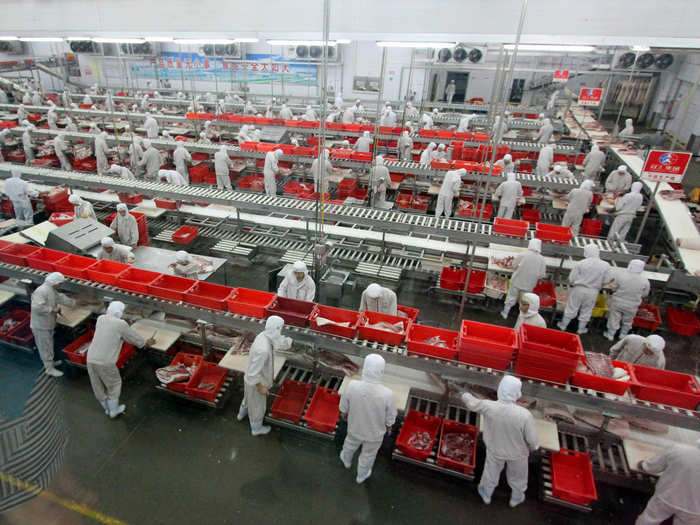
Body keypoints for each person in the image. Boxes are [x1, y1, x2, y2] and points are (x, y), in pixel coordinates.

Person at [461, 376, 538, 507]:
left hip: (495, 449)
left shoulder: (489, 406)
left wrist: (464, 393)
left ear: (500, 390)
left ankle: (486, 495)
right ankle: (516, 498)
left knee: (490, 474)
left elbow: (472, 403)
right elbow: (532, 438)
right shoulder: (524, 415)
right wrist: (533, 447)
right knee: (518, 477)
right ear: (517, 394)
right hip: (518, 454)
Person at [86, 301, 154, 418]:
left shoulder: (101, 318)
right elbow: (135, 339)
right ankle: (114, 411)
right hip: (106, 362)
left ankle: (107, 409)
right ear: (119, 312)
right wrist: (146, 342)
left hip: (91, 358)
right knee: (114, 384)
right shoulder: (120, 324)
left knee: (97, 385)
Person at [339, 353, 397, 484]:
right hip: (374, 435)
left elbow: (343, 406)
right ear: (381, 371)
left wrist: (344, 413)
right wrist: (389, 425)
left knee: (349, 445)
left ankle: (346, 460)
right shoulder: (388, 394)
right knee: (368, 455)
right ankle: (361, 475)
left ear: (365, 368)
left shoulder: (353, 385)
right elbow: (391, 415)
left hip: (355, 428)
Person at [237, 316, 292, 436]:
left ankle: (241, 415)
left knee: (248, 399)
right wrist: (261, 387)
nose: (281, 331)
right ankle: (257, 429)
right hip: (256, 382)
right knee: (257, 406)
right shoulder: (263, 350)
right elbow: (253, 374)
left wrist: (289, 341)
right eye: (281, 329)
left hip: (250, 380)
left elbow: (278, 340)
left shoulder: (264, 334)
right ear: (276, 329)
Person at [635, 440, 700, 525]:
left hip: (667, 497)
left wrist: (643, 465)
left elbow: (653, 467)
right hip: (694, 508)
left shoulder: (679, 449)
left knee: (649, 520)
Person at [558, 244, 613, 334]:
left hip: (579, 289)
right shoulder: (605, 265)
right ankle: (581, 329)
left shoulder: (581, 263)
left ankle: (563, 326)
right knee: (587, 310)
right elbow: (607, 280)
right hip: (593, 291)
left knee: (571, 307)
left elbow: (571, 278)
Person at [30, 272, 76, 377]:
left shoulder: (51, 290)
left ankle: (50, 363)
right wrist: (52, 309)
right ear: (54, 282)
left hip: (48, 324)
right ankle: (49, 369)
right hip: (40, 325)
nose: (60, 285)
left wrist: (74, 303)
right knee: (45, 346)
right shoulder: (41, 291)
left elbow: (60, 298)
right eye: (59, 283)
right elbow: (36, 307)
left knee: (49, 344)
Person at [604, 259, 650, 340]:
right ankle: (623, 335)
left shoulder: (621, 275)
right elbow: (645, 294)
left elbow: (613, 287)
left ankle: (610, 334)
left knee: (614, 318)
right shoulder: (645, 280)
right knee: (628, 321)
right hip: (632, 305)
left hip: (618, 302)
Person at [501, 239, 546, 319]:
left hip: (516, 281)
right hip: (529, 285)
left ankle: (505, 313)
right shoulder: (542, 259)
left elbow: (514, 265)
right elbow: (542, 275)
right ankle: (521, 317)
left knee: (511, 297)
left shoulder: (523, 254)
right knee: (525, 301)